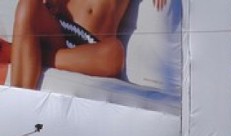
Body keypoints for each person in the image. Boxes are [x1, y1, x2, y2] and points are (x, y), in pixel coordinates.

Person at [0, 0, 167, 89]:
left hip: (92, 46)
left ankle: (24, 53)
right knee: (27, 4)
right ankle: (20, 101)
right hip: (61, 29)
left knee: (114, 54)